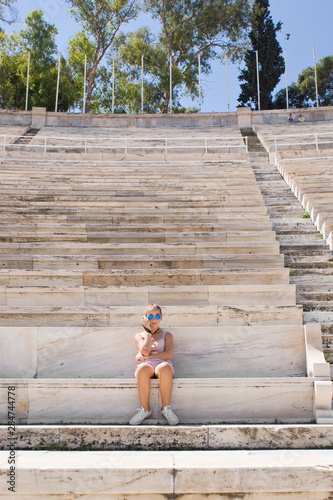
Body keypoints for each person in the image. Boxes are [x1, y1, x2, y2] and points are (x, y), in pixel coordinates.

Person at [129, 304, 179, 426]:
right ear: (145, 318)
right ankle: (145, 409)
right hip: (147, 366)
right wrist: (147, 332)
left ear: (161, 317)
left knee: (164, 367)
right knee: (142, 369)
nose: (154, 319)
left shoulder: (167, 335)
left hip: (163, 364)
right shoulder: (139, 336)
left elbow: (168, 355)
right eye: (150, 316)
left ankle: (166, 408)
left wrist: (148, 356)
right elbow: (145, 350)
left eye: (157, 315)